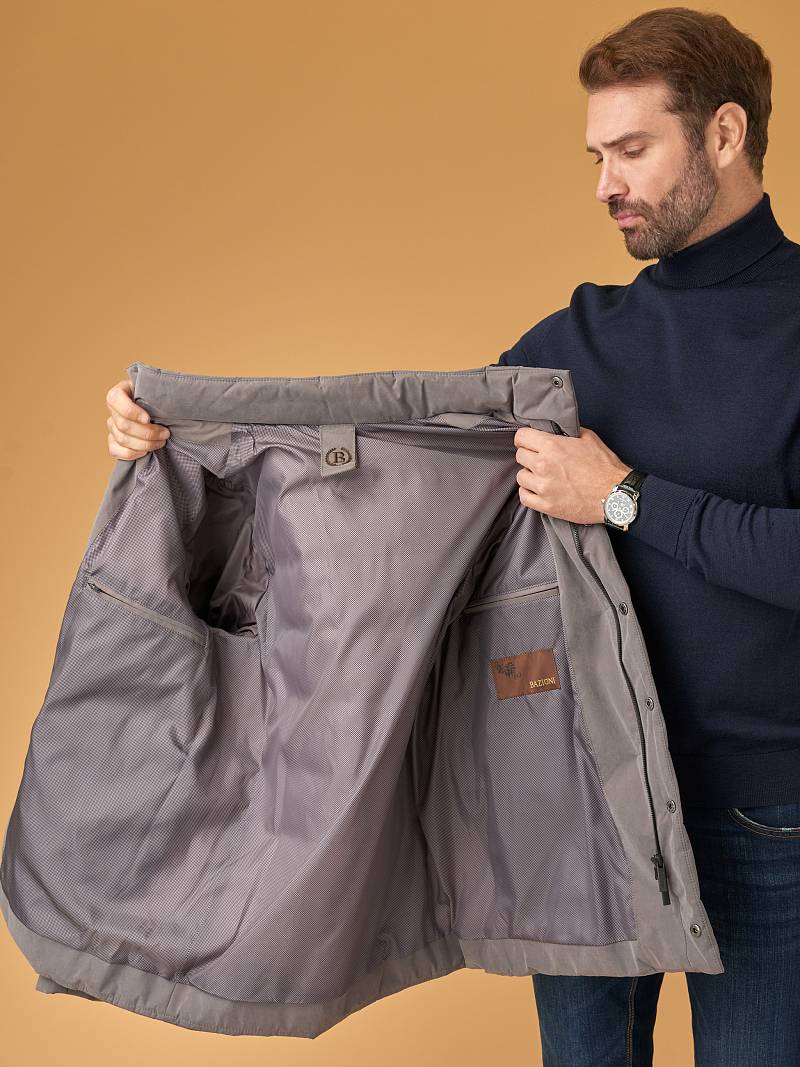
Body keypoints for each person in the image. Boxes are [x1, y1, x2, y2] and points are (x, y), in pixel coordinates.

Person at [104, 7, 800, 1063]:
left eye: (630, 150)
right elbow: (385, 452)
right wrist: (176, 428)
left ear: (724, 133)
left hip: (762, 813)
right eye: (595, 156)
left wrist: (624, 497)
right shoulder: (574, 342)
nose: (604, 184)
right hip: (580, 793)